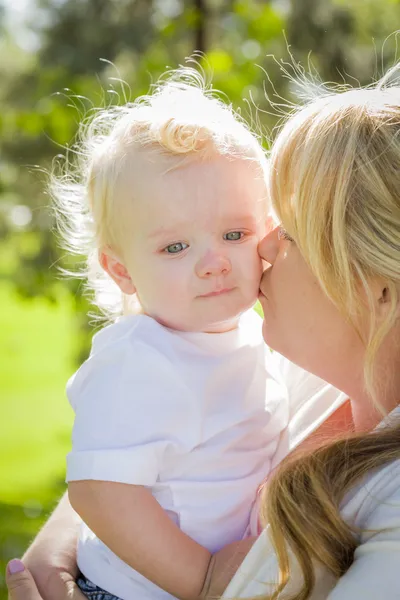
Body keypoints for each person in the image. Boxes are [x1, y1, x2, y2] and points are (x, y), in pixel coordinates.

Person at [9, 60, 400, 600]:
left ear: (379, 285)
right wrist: (59, 545)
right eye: (175, 246)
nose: (260, 248)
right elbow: (110, 475)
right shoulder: (298, 363)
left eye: (287, 231)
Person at [36, 67, 294, 600]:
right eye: (176, 247)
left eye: (234, 232)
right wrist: (200, 579)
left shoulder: (255, 333)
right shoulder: (141, 360)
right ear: (122, 270)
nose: (214, 262)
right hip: (135, 590)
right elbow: (99, 491)